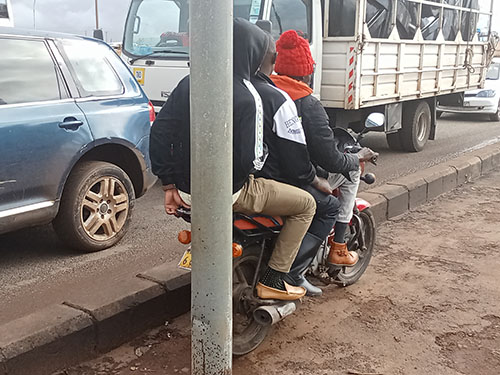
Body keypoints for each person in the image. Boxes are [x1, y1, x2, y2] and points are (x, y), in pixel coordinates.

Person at [149, 18, 316, 301]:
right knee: (306, 205)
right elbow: (250, 158)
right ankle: (274, 278)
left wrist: (169, 183)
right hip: (232, 193)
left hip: (187, 193)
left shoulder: (190, 83)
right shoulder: (246, 93)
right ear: (251, 53)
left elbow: (160, 133)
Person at [270, 30, 378, 273]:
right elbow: (329, 158)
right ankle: (333, 249)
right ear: (308, 72)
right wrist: (356, 158)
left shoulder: (265, 94)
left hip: (263, 176)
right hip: (294, 179)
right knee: (350, 175)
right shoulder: (307, 104)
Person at [251, 34, 341, 296]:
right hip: (281, 181)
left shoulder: (258, 90)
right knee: (328, 207)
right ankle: (292, 274)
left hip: (253, 175)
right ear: (307, 71)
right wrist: (344, 163)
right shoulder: (304, 102)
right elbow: (318, 158)